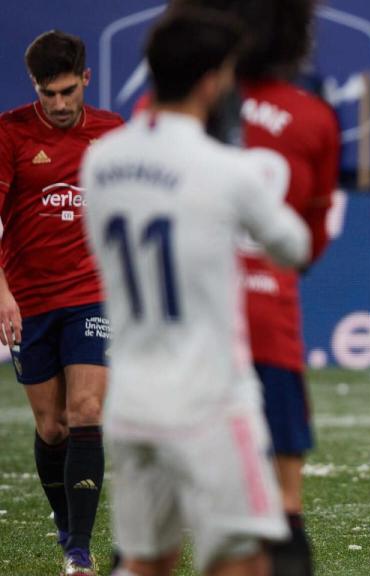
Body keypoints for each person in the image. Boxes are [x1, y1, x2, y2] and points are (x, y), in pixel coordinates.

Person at [80, 8, 310, 576]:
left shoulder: (100, 159)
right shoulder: (225, 170)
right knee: (241, 563)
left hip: (131, 401)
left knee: (143, 561)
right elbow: (294, 246)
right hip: (210, 401)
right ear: (213, 79)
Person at [170, 1, 339, 572]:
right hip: (269, 332)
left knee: (166, 521)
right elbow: (307, 249)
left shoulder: (167, 110)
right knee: (282, 510)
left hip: (182, 334)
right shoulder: (313, 118)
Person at [0, 29, 123, 575]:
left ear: (86, 81)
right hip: (28, 300)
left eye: (67, 91)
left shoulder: (113, 134)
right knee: (51, 427)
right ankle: (66, 524)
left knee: (87, 412)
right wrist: (2, 293)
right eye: (47, 94)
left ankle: (79, 552)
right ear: (35, 88)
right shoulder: (10, 134)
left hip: (91, 293)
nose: (58, 104)